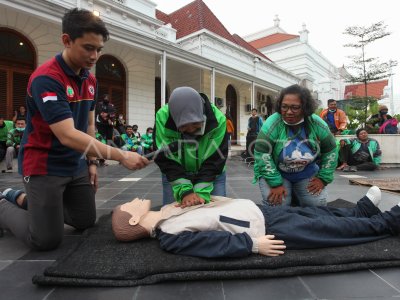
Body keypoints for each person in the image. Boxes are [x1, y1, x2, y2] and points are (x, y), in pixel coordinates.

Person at [0, 8, 148, 251]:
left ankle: (28, 201)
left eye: (99, 49)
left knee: (85, 220)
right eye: (88, 47)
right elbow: (67, 134)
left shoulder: (90, 80)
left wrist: (91, 162)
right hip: (44, 164)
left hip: (75, 163)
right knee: (46, 239)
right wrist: (121, 155)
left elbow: (88, 125)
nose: (95, 56)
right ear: (66, 40)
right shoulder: (46, 79)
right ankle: (3, 204)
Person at [111, 187, 400, 258]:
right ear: (134, 218)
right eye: (127, 206)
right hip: (266, 230)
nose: (131, 200)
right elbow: (209, 244)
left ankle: (359, 212)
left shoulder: (168, 212)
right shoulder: (169, 233)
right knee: (328, 231)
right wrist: (251, 245)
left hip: (261, 212)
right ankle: (389, 222)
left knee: (319, 215)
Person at [253, 84, 337, 207]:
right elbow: (262, 154)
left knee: (317, 204)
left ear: (305, 107)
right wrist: (275, 183)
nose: (288, 112)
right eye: (284, 107)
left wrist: (323, 178)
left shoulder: (316, 123)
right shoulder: (272, 123)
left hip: (306, 172)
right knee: (277, 206)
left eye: (295, 107)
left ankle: (297, 196)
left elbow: (331, 150)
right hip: (276, 172)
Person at [154, 86, 228, 206]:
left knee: (215, 215)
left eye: (195, 124)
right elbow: (166, 158)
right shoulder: (163, 117)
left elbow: (215, 159)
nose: (191, 129)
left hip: (212, 173)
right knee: (172, 218)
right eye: (183, 126)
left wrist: (201, 193)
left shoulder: (218, 120)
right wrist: (185, 192)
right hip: (175, 174)